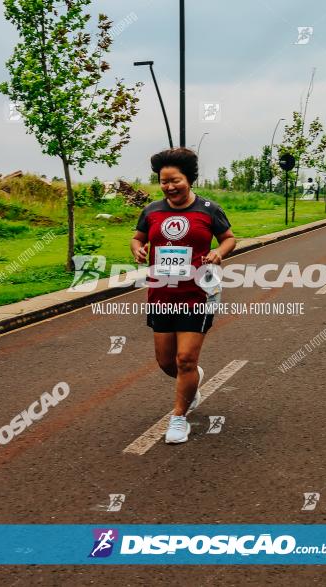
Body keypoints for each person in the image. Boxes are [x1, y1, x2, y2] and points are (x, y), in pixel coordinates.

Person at [131, 148, 236, 443]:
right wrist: (137, 249)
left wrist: (218, 252)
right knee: (167, 362)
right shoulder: (151, 211)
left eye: (174, 180)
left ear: (188, 179)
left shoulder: (208, 209)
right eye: (163, 181)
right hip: (162, 294)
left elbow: (229, 238)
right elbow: (137, 237)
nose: (169, 187)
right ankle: (192, 380)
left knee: (185, 359)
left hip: (198, 293)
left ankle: (179, 417)